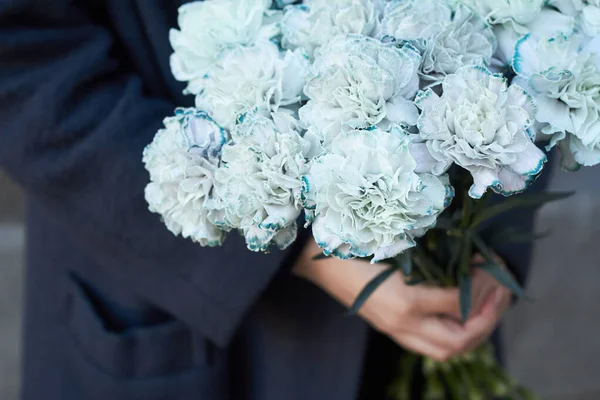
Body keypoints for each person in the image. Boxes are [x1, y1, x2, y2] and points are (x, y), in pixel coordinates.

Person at [0, 1, 540, 399]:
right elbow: (20, 61)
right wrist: (305, 249)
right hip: (186, 327)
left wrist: (491, 214)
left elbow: (541, 22)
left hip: (439, 284)